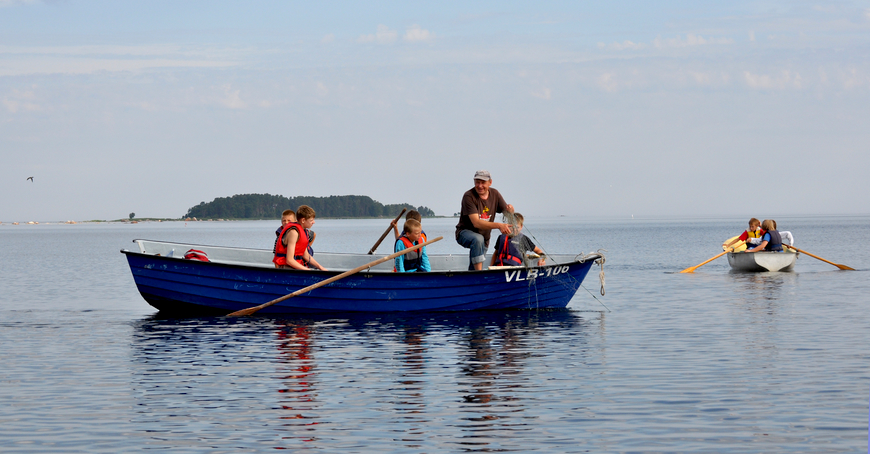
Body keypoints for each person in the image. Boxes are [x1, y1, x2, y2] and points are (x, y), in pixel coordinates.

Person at [455, 170, 515, 270]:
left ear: (490, 183)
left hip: (484, 238)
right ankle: (480, 276)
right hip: (464, 233)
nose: (480, 186)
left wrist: (511, 210)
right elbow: (476, 223)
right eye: (477, 182)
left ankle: (472, 281)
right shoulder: (468, 196)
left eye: (483, 182)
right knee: (478, 239)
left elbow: (507, 213)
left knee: (474, 264)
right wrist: (499, 225)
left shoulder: (495, 193)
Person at [273, 205, 327, 270]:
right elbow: (289, 260)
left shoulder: (303, 231)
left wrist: (320, 267)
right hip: (286, 268)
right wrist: (307, 270)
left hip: (295, 266)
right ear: (303, 220)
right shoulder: (294, 232)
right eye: (311, 220)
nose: (313, 222)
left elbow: (306, 256)